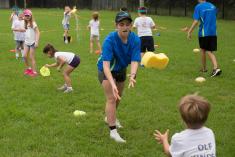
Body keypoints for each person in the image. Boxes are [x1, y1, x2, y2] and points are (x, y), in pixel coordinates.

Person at [97, 11, 141, 143]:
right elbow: (105, 66)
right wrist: (112, 83)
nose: (125, 27)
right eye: (121, 24)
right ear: (116, 26)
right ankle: (113, 131)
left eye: (127, 24)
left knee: (118, 98)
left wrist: (133, 75)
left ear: (131, 25)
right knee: (111, 98)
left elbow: (134, 60)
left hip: (121, 69)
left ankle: (109, 117)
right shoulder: (110, 40)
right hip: (106, 70)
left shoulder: (135, 39)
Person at [187, 0, 222, 77]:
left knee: (208, 50)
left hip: (204, 32)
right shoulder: (212, 6)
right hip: (213, 32)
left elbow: (196, 21)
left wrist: (189, 31)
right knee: (203, 49)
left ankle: (216, 68)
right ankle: (203, 68)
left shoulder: (198, 7)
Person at [23, 9, 40, 77]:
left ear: (31, 16)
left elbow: (38, 32)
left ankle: (34, 72)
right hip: (26, 42)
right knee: (24, 56)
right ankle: (29, 68)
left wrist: (36, 42)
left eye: (28, 16)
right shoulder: (25, 23)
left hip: (32, 43)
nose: (27, 17)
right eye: (26, 16)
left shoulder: (33, 23)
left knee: (31, 57)